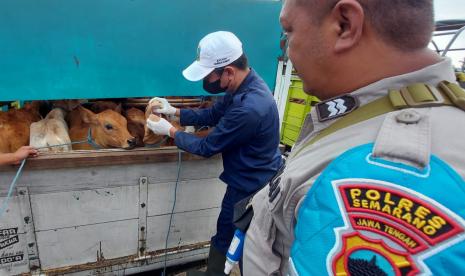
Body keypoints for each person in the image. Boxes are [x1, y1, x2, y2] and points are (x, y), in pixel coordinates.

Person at [243, 0, 465, 275]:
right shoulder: (382, 115)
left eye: (289, 31)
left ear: (344, 25)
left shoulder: (392, 169)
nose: (288, 50)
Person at [146, 31, 282, 275]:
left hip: (250, 186)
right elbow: (211, 115)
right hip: (247, 177)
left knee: (230, 235)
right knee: (228, 232)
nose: (207, 82)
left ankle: (217, 273)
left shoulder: (250, 108)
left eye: (209, 75)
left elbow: (207, 147)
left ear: (228, 71)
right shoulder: (242, 85)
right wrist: (174, 112)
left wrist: (171, 132)